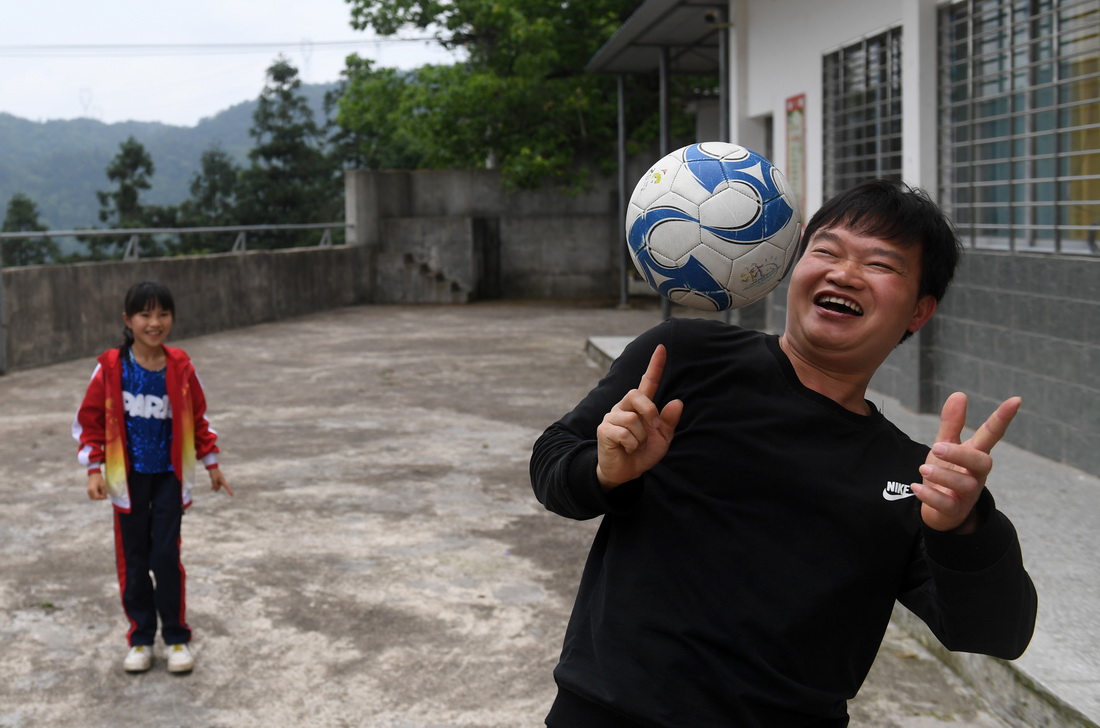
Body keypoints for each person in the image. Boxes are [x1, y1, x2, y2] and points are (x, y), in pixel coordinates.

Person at [530, 180, 1037, 727]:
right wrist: (604, 472)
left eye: (881, 264)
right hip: (606, 712)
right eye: (826, 250)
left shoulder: (911, 476)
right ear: (790, 268)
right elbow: (553, 462)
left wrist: (966, 526)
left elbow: (996, 633)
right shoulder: (685, 357)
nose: (843, 273)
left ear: (919, 311)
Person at [72, 280, 232, 674]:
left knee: (165, 557)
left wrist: (211, 462)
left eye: (162, 314)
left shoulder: (181, 367)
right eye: (145, 314)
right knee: (134, 559)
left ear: (172, 318)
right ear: (128, 320)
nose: (154, 322)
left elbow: (198, 417)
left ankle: (177, 638)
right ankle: (141, 639)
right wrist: (95, 469)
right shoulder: (111, 367)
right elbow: (89, 422)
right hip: (127, 481)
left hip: (168, 480)